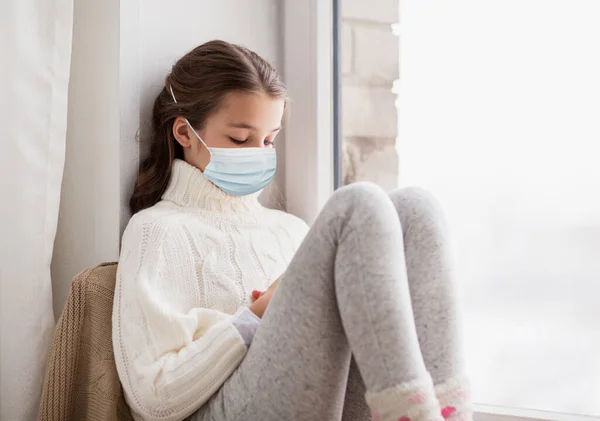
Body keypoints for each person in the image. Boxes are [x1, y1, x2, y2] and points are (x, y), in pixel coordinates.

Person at [113, 40, 472, 421]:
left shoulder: (289, 230)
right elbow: (153, 397)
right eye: (240, 138)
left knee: (417, 209)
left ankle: (448, 413)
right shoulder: (158, 231)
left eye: (269, 140)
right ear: (185, 134)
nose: (259, 152)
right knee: (358, 205)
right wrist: (253, 316)